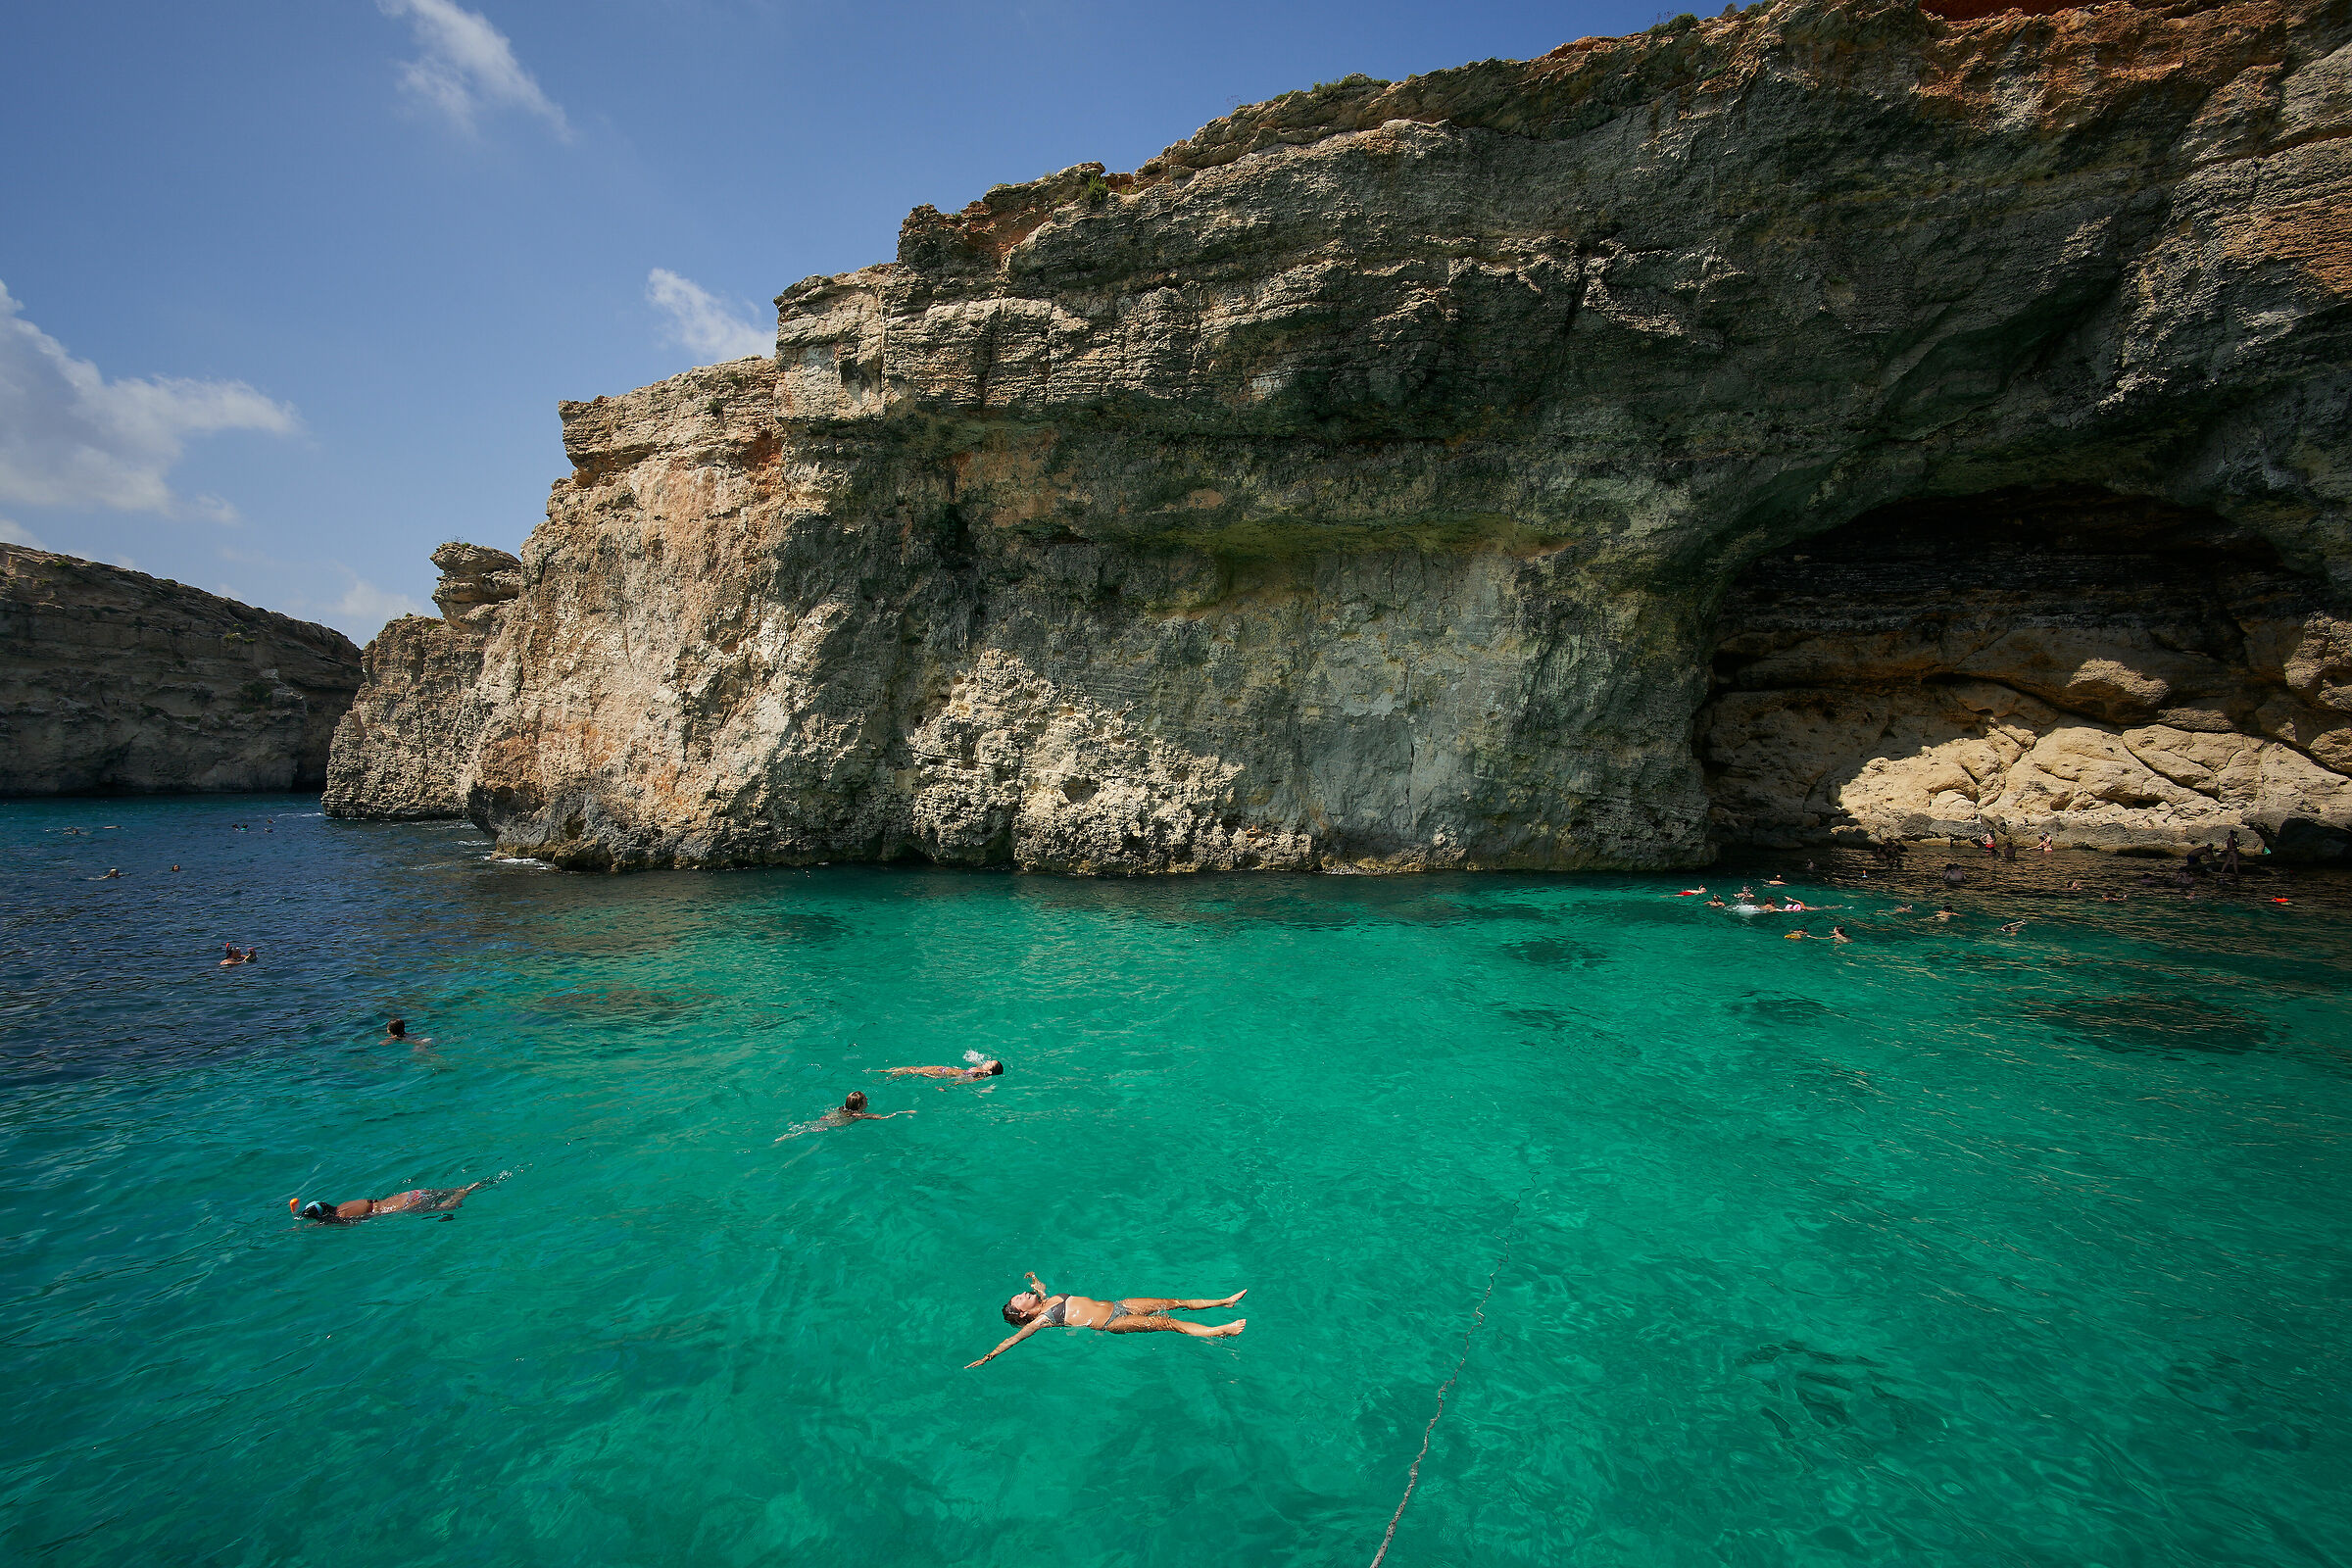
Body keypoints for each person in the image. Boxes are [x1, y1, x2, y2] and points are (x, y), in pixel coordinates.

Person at [969, 1273, 1247, 1367]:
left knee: (1172, 1302)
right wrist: (989, 1356)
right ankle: (1220, 1330)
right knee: (1169, 1323)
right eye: (1019, 1299)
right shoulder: (1041, 1319)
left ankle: (1224, 1301)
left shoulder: (1045, 1299)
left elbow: (1040, 1288)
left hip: (1119, 1304)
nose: (1022, 1294)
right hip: (1111, 1322)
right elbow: (1013, 1339)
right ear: (1022, 1313)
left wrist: (1033, 1279)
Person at [291, 1182, 485, 1223]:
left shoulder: (341, 1216)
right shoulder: (344, 1204)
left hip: (404, 1206)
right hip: (410, 1194)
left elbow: (341, 1225)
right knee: (444, 1192)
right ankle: (465, 1187)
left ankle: (465, 1192)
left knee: (448, 1206)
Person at [884, 1059, 1004, 1083]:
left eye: (990, 1063)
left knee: (913, 1071)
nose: (988, 1061)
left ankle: (887, 1074)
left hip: (943, 1073)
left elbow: (965, 1081)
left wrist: (950, 1085)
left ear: (990, 1072)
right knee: (914, 1070)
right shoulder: (981, 1070)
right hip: (944, 1071)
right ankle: (887, 1072)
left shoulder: (980, 1075)